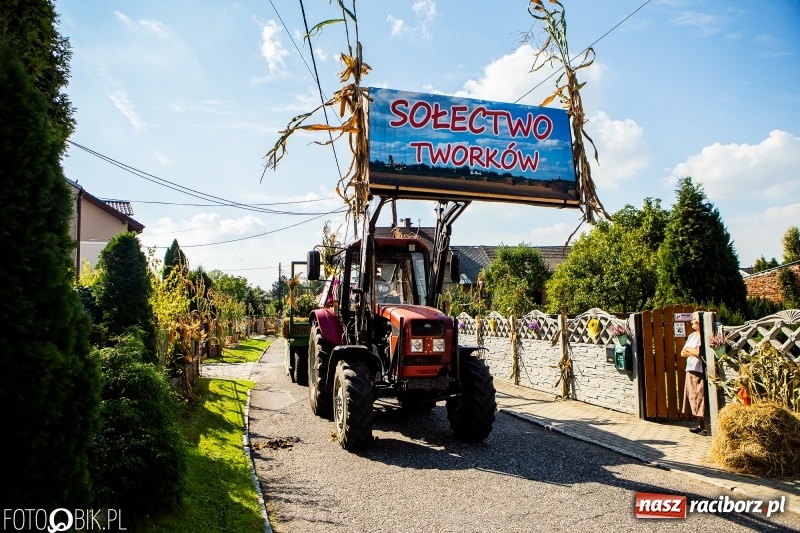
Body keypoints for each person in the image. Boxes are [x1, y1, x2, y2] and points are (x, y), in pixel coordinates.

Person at [680, 311, 707, 435]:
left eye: (694, 319)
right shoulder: (692, 336)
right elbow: (682, 353)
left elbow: (699, 353)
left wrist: (690, 351)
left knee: (700, 397)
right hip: (690, 369)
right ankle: (700, 425)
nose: (691, 322)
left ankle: (706, 427)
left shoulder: (704, 336)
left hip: (699, 370)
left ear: (700, 321)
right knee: (692, 397)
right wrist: (692, 351)